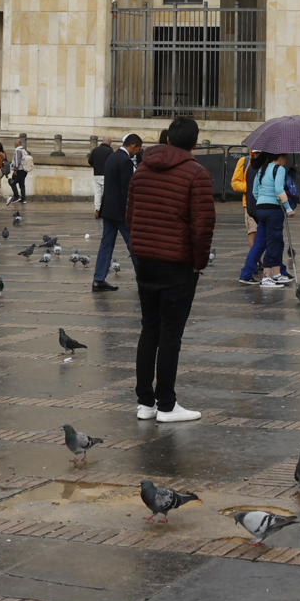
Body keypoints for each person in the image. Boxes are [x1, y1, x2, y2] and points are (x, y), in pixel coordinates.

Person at [125, 115, 216, 423]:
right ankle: (166, 404)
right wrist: (198, 263)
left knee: (149, 329)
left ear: (167, 139)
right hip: (177, 264)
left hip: (145, 261)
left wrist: (142, 247)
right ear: (195, 143)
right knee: (170, 334)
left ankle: (145, 402)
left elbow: (130, 215)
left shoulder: (142, 169)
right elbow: (202, 226)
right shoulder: (196, 173)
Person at [238, 153, 294, 286]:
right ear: (280, 157)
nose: (286, 159)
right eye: (285, 157)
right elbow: (279, 190)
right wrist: (288, 208)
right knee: (274, 243)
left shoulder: (262, 169)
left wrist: (262, 201)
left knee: (262, 241)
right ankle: (267, 276)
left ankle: (276, 273)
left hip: (261, 209)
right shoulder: (279, 169)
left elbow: (254, 191)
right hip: (273, 210)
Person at [94, 134, 139, 291]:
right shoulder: (125, 161)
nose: (136, 152)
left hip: (108, 209)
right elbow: (126, 189)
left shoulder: (112, 157)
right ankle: (143, 277)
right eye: (137, 149)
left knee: (106, 245)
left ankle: (98, 279)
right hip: (121, 212)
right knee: (133, 244)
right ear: (133, 145)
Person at [86, 138, 114, 215]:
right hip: (106, 175)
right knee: (106, 194)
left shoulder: (95, 150)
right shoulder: (110, 150)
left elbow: (90, 161)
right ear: (109, 143)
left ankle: (97, 210)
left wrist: (95, 166)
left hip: (96, 174)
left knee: (97, 193)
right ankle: (105, 211)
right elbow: (112, 162)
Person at [8, 138, 33, 204]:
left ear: (17, 144)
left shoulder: (17, 150)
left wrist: (15, 170)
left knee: (11, 182)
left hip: (19, 170)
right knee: (22, 184)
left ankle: (16, 197)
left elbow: (17, 161)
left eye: (15, 143)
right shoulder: (24, 150)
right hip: (24, 170)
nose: (14, 144)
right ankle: (23, 199)